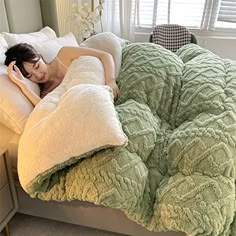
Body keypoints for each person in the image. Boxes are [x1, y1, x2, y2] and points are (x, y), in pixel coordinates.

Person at [5, 43, 119, 106]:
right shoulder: (45, 94)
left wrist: (111, 80)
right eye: (30, 76)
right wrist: (23, 86)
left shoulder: (64, 55)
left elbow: (105, 56)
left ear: (39, 56)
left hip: (110, 87)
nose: (38, 75)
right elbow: (45, 110)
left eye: (37, 66)